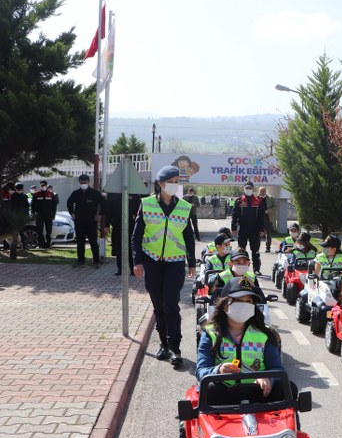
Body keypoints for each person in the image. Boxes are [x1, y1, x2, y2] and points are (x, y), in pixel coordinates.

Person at [132, 166, 196, 366]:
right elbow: (136, 236)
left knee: (170, 303)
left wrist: (192, 262)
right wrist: (137, 261)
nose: (175, 185)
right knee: (158, 305)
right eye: (172, 181)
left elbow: (189, 237)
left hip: (175, 263)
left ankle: (175, 347)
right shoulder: (147, 204)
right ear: (160, 183)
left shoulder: (184, 206)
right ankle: (163, 344)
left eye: (177, 181)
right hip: (151, 261)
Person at [196, 277, 287, 404]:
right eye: (238, 300)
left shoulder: (265, 334)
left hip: (257, 391)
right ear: (225, 305)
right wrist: (218, 370)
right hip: (224, 392)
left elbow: (277, 369)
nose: (244, 305)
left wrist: (267, 378)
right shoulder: (210, 333)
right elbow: (201, 371)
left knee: (288, 388)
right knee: (209, 389)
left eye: (249, 301)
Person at [67, 174, 104, 267]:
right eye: (82, 182)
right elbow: (69, 202)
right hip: (79, 221)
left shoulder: (95, 193)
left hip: (91, 221)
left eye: (85, 182)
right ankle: (80, 261)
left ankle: (96, 261)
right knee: (80, 242)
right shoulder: (76, 193)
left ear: (89, 182)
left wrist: (100, 215)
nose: (83, 184)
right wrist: (72, 213)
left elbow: (104, 203)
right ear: (79, 182)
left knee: (93, 242)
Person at [230, 181, 266, 275]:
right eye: (247, 188)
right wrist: (233, 227)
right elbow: (234, 215)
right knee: (241, 250)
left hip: (255, 230)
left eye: (250, 188)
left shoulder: (258, 201)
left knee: (255, 251)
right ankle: (240, 269)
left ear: (253, 189)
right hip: (243, 229)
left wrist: (262, 229)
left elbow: (262, 216)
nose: (248, 190)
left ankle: (256, 269)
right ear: (244, 189)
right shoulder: (239, 201)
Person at [106, 192, 141, 276]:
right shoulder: (112, 195)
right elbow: (108, 210)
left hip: (131, 224)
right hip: (117, 224)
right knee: (119, 247)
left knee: (131, 248)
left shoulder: (134, 194)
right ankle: (120, 269)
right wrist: (106, 225)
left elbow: (139, 211)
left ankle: (133, 269)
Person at [0, 183, 29, 260]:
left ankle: (23, 246)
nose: (19, 190)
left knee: (21, 232)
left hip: (21, 218)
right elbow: (10, 207)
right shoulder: (12, 196)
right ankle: (6, 246)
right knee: (9, 232)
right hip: (13, 217)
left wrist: (26, 216)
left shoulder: (24, 196)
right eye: (18, 189)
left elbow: (26, 207)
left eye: (20, 189)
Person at [31, 179, 55, 248]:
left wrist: (53, 214)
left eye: (44, 185)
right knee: (39, 231)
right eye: (42, 185)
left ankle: (48, 244)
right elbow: (33, 205)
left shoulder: (50, 194)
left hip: (48, 215)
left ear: (46, 186)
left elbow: (54, 205)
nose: (43, 186)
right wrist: (34, 213)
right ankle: (41, 244)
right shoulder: (36, 194)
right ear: (40, 186)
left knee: (48, 231)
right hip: (39, 215)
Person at [258, 187, 276, 252]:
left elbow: (276, 206)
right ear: (259, 191)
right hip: (258, 219)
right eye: (261, 191)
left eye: (264, 191)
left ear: (266, 191)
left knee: (268, 234)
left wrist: (269, 210)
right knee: (258, 234)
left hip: (268, 218)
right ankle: (256, 248)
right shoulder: (256, 198)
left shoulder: (271, 198)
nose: (262, 192)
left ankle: (268, 247)